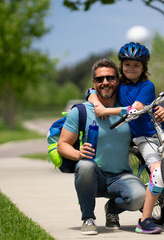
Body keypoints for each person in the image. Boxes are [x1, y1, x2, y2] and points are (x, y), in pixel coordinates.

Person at [86, 42, 164, 234]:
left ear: (143, 68)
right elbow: (90, 92)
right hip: (143, 137)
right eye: (127, 64)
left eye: (136, 65)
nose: (131, 68)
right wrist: (97, 103)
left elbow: (137, 109)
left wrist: (106, 110)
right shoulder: (118, 85)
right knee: (157, 174)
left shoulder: (147, 85)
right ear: (121, 66)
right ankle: (145, 220)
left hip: (163, 131)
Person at [57, 58, 146, 235]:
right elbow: (62, 145)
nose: (105, 82)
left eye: (110, 78)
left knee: (140, 197)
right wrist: (77, 154)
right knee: (84, 165)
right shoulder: (81, 111)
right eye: (100, 79)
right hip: (93, 176)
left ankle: (112, 210)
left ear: (117, 80)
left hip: (121, 176)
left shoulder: (128, 111)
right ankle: (88, 218)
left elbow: (149, 110)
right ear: (94, 83)